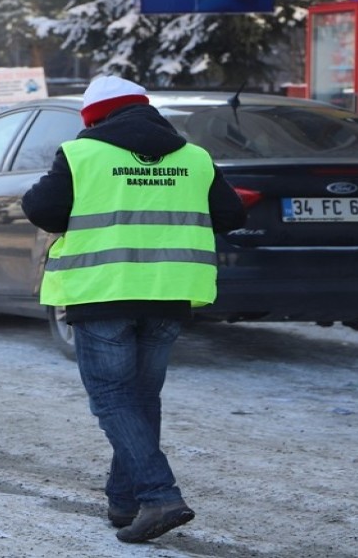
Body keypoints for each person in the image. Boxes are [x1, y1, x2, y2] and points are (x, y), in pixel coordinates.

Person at [20, 75, 245, 544]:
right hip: (169, 292)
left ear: (94, 117)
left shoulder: (82, 154)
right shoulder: (195, 157)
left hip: (102, 290)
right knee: (140, 400)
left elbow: (41, 209)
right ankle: (125, 502)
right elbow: (231, 215)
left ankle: (159, 494)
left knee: (112, 398)